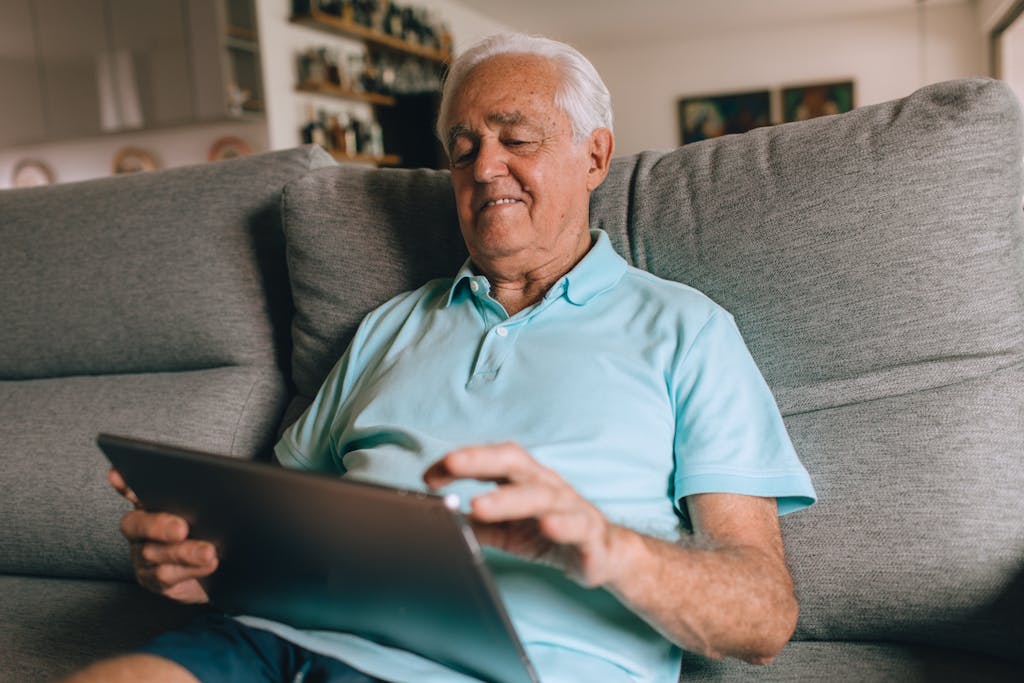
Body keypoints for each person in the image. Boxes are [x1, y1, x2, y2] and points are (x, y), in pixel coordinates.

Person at [65, 33, 816, 683]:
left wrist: (605, 542)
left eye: (515, 139)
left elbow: (764, 617)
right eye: (463, 150)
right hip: (279, 644)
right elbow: (272, 530)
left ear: (595, 155)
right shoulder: (388, 327)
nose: (485, 168)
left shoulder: (687, 329)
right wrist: (203, 564)